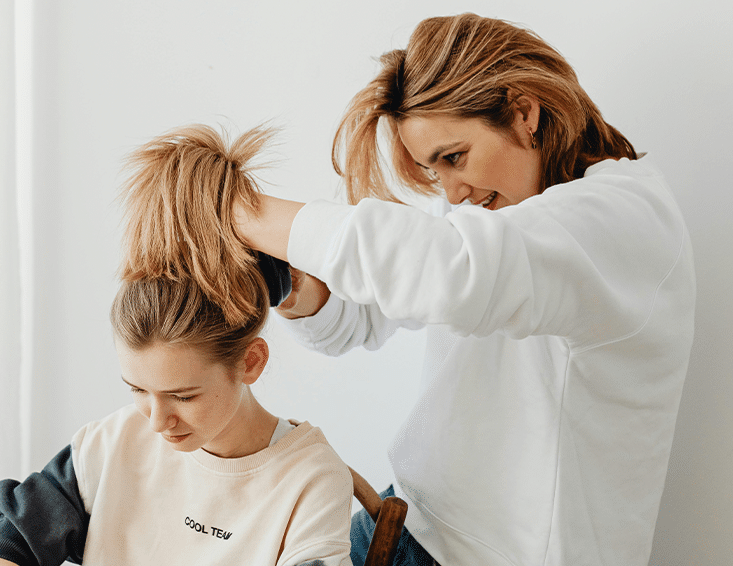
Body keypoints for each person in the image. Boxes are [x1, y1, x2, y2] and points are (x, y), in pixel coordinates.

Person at [234, 13, 696, 566]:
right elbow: (359, 318)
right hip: (406, 520)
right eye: (435, 172)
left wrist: (242, 211)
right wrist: (293, 285)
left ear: (524, 112)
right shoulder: (500, 215)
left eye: (454, 157)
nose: (452, 192)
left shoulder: (623, 217)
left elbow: (447, 274)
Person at [0, 125, 353, 566]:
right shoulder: (114, 444)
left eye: (183, 395)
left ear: (251, 362)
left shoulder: (310, 481)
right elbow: (15, 537)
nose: (157, 421)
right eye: (137, 390)